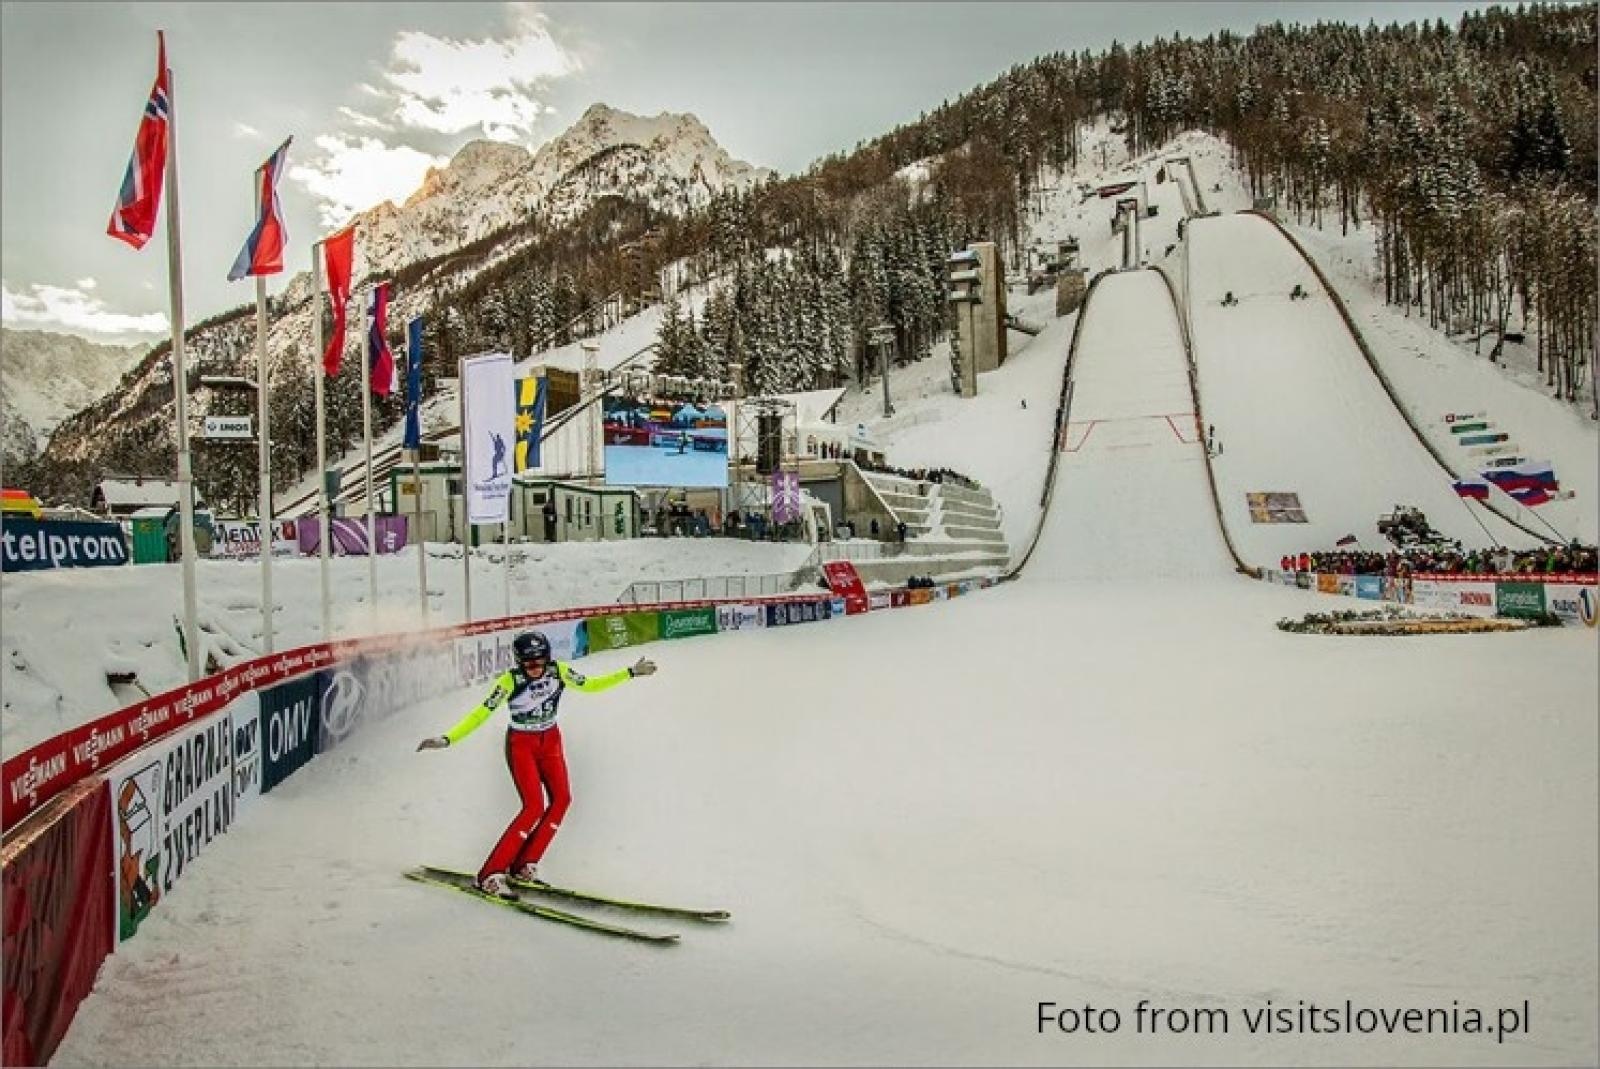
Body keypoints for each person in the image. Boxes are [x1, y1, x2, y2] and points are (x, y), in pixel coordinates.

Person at [416, 631, 658, 899]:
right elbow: (480, 714)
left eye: (541, 662)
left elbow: (591, 685)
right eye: (530, 664)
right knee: (533, 808)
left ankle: (524, 865)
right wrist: (448, 738)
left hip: (551, 741)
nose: (536, 669)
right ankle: (489, 875)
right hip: (522, 744)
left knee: (562, 800)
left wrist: (630, 673)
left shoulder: (558, 672)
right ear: (519, 663)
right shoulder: (510, 681)